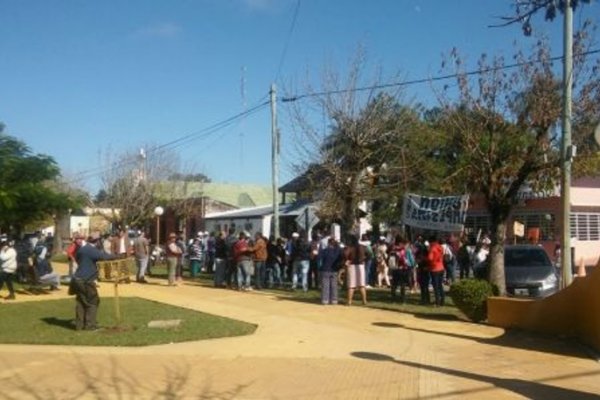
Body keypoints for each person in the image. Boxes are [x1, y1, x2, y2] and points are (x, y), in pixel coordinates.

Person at [71, 236, 115, 330]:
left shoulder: (82, 250)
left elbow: (78, 259)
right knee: (93, 301)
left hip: (76, 279)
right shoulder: (91, 249)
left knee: (81, 301)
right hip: (86, 280)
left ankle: (79, 325)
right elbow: (104, 257)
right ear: (97, 242)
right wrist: (117, 256)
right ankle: (90, 325)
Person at [343, 234, 367, 306]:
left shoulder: (350, 247)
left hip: (352, 265)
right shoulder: (362, 247)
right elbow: (370, 254)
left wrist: (347, 259)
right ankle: (364, 301)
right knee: (362, 285)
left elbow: (345, 254)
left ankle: (349, 301)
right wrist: (363, 259)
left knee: (351, 285)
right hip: (361, 266)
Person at [319, 237, 342, 305]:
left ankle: (325, 299)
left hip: (325, 269)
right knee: (334, 285)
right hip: (334, 269)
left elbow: (319, 258)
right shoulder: (337, 251)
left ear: (328, 243)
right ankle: (334, 300)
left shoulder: (324, 250)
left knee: (325, 285)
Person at [427, 235, 445, 307]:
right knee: (440, 285)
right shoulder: (440, 247)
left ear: (431, 241)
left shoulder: (432, 248)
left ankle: (437, 302)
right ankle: (442, 301)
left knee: (436, 286)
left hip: (434, 269)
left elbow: (430, 258)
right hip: (441, 267)